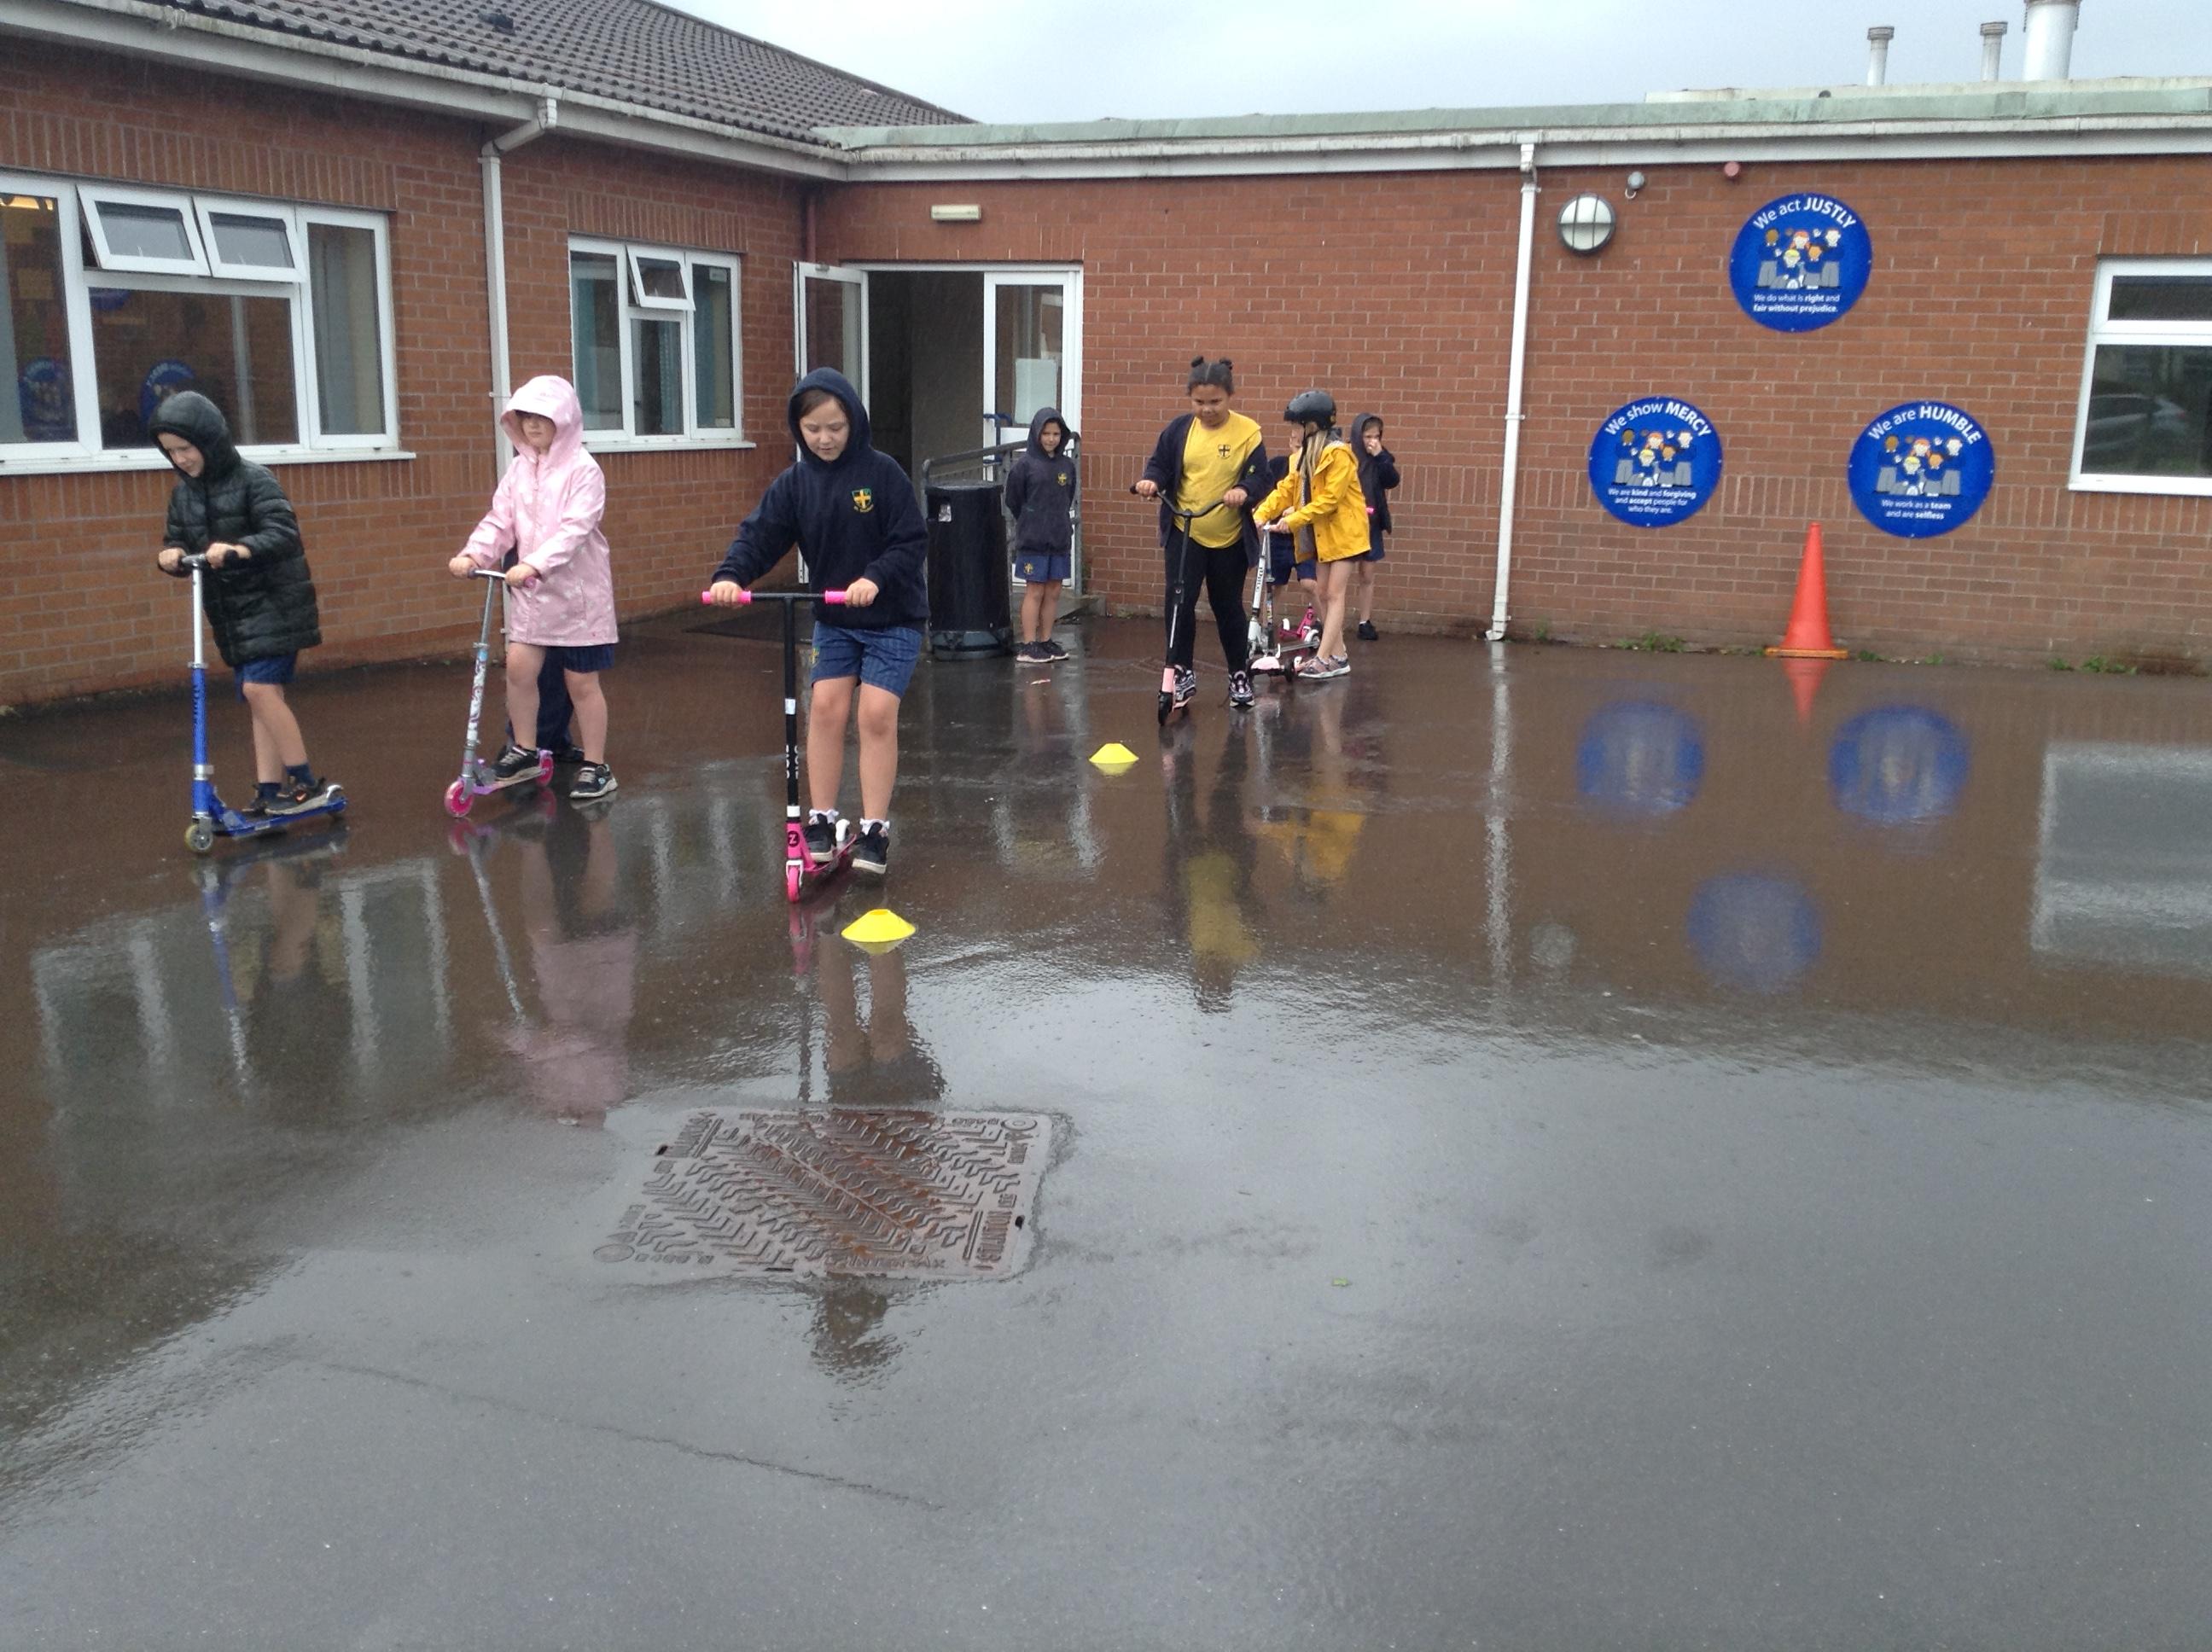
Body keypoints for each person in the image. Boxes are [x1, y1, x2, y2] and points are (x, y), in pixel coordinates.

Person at [707, 369, 928, 878]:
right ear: (798, 428)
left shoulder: (882, 474)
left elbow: (911, 540)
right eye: (813, 429)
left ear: (853, 422)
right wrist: (731, 575)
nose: (825, 439)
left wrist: (874, 577)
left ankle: (874, 828)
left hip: (892, 616)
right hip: (835, 617)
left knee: (875, 714)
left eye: (835, 427)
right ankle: (823, 819)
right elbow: (761, 534)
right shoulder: (795, 484)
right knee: (825, 708)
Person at [151, 391, 340, 816]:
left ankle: (305, 782)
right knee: (261, 698)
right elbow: (177, 538)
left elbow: (283, 533)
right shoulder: (183, 495)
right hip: (233, 615)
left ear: (209, 440)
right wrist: (173, 555)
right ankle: (269, 789)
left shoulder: (255, 479)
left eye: (185, 448)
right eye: (171, 452)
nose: (180, 459)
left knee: (258, 689)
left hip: (276, 603)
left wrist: (240, 549)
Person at [451, 375, 618, 800]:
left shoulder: (584, 470)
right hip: (533, 595)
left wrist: (534, 564)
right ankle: (525, 749)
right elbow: (501, 520)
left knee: (581, 683)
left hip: (579, 597)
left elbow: (575, 530)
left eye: (543, 417)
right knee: (519, 669)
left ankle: (596, 765)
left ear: (564, 420)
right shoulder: (520, 469)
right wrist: (475, 554)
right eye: (525, 418)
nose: (533, 425)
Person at [1136, 358, 1270, 713]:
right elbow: (1160, 464)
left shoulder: (1248, 433)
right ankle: (1181, 671)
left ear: (1230, 396)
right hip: (1186, 531)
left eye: (1215, 402)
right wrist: (1151, 481)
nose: (1207, 409)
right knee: (1179, 602)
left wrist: (1244, 490)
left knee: (1227, 607)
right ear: (1189, 399)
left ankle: (1238, 673)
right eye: (1199, 402)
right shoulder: (1179, 430)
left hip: (1228, 536)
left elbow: (1261, 476)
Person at [1252, 390, 1368, 681]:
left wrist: (1293, 520)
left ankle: (1324, 657)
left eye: (1297, 425)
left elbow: (1330, 499)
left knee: (1334, 594)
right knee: (1323, 593)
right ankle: (1338, 655)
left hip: (1345, 534)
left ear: (1312, 426)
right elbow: (1286, 489)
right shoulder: (1304, 457)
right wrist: (1262, 514)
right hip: (1322, 535)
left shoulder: (1338, 454)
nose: (1293, 432)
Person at [1006, 406, 1076, 664]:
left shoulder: (1067, 465)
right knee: (1034, 590)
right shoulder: (1024, 466)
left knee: (1054, 590)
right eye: (1046, 433)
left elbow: (1068, 496)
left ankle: (1046, 640)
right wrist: (1031, 518)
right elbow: (1014, 499)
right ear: (1036, 433)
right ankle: (1028, 644)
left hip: (1059, 537)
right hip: (1033, 539)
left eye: (1056, 434)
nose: (1051, 439)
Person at [1348, 411, 1400, 642]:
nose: (1372, 441)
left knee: (1367, 573)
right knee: (1340, 572)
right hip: (1347, 522)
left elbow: (1392, 480)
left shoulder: (1381, 456)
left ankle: (1365, 620)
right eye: (1368, 436)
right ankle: (1327, 620)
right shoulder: (1346, 454)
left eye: (1376, 436)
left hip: (1371, 522)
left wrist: (1380, 456)